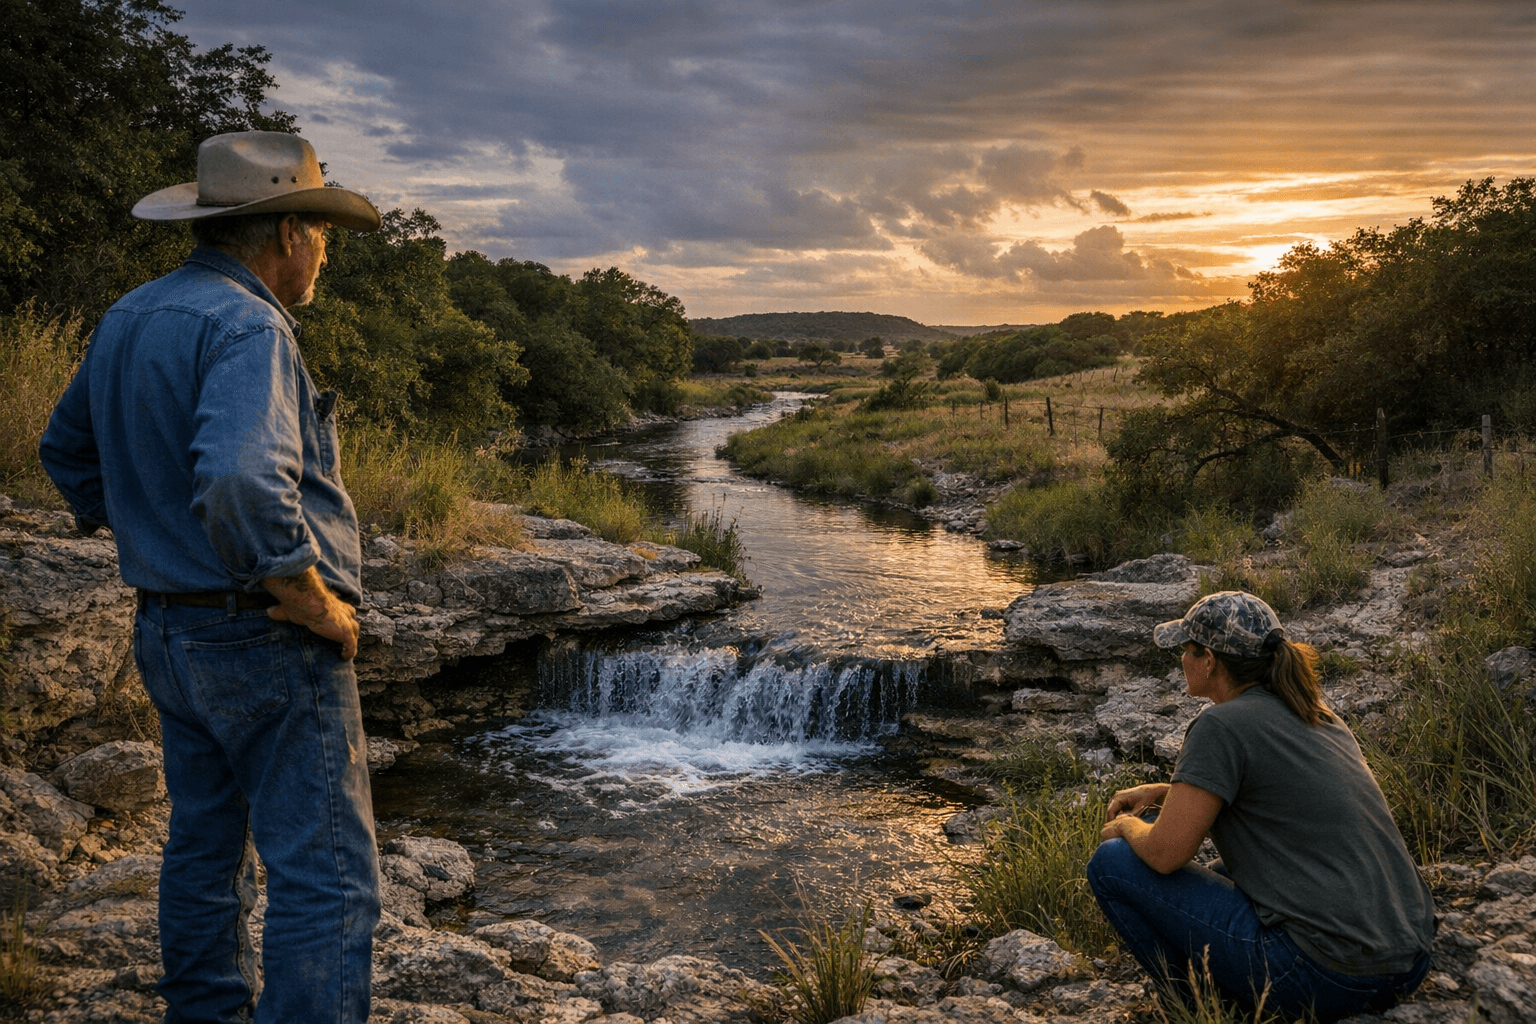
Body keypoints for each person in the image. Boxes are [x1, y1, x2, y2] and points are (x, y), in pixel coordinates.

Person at [39, 131, 384, 1024]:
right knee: (326, 872)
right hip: (262, 634)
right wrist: (307, 600)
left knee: (203, 846)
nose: (323, 255)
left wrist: (154, 533)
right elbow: (239, 476)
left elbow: (66, 449)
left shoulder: (132, 314)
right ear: (287, 235)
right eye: (321, 235)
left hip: (168, 627)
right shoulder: (250, 323)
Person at [1087, 590, 1434, 1021]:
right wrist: (1164, 789)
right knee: (1215, 867)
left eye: (1185, 649)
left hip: (1325, 977)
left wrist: (1124, 826)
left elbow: (1163, 855)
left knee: (1115, 861)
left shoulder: (1218, 724)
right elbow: (1281, 793)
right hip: (1409, 963)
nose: (1181, 659)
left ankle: (1203, 1007)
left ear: (1209, 660)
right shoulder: (1315, 713)